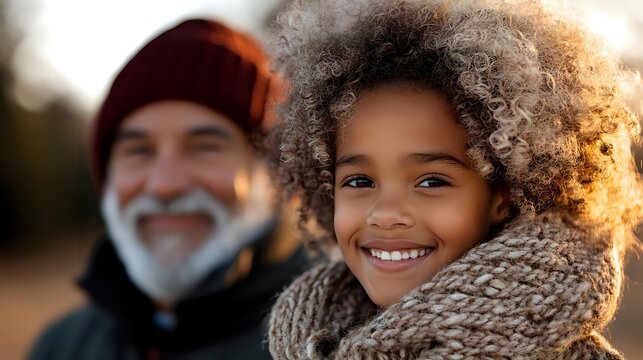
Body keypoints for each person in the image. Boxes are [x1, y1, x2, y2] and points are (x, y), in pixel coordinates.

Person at [266, 0, 643, 358]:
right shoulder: (305, 339)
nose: (385, 214)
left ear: (502, 195)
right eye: (360, 182)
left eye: (431, 182)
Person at [29, 18, 308, 360]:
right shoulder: (62, 347)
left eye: (205, 147)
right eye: (139, 151)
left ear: (276, 177)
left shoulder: (331, 343)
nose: (164, 185)